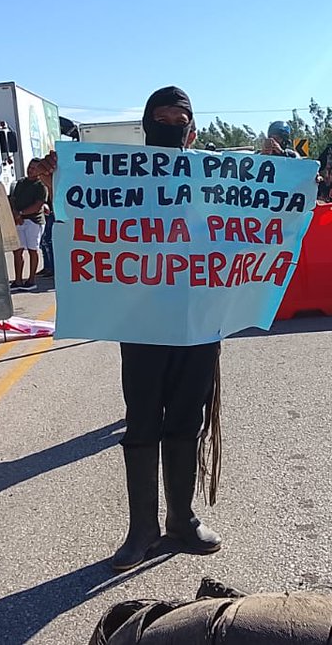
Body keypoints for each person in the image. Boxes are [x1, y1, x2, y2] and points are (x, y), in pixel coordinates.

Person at [110, 85, 224, 571]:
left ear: (192, 128)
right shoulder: (119, 181)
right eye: (161, 118)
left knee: (187, 419)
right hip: (141, 319)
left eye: (180, 119)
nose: (171, 125)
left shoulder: (214, 176)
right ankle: (142, 528)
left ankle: (181, 517)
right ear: (146, 125)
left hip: (199, 317)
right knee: (141, 423)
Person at [9, 158, 49, 292]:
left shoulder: (41, 186)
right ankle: (18, 280)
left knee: (33, 250)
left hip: (34, 221)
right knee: (17, 250)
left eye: (34, 168)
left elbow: (38, 206)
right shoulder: (20, 183)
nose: (30, 170)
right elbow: (13, 199)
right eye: (30, 167)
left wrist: (21, 213)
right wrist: (15, 214)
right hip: (19, 221)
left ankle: (31, 280)